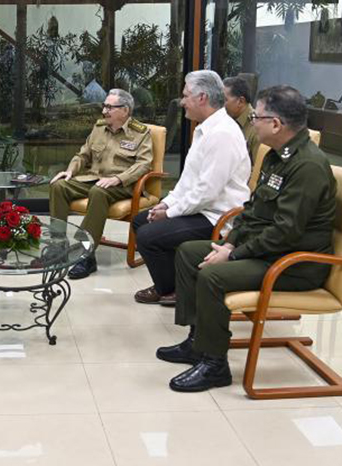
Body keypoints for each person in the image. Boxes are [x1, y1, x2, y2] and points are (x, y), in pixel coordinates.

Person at [162, 85, 336, 392]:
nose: (251, 120)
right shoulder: (275, 156)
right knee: (189, 253)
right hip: (269, 251)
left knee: (214, 276)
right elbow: (253, 210)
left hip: (294, 264)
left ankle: (215, 364)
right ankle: (198, 342)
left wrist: (234, 254)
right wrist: (230, 242)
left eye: (257, 115)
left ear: (276, 124)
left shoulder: (307, 166)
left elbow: (286, 232)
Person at [132, 70, 251, 306]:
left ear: (202, 98)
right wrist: (166, 203)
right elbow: (188, 182)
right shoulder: (205, 129)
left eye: (186, 95)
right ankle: (172, 283)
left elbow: (207, 192)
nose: (182, 101)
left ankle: (175, 289)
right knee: (140, 220)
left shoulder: (222, 134)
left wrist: (170, 213)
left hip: (217, 216)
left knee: (147, 235)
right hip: (201, 208)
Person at [48, 88, 153, 279]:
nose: (104, 111)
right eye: (104, 106)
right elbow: (83, 155)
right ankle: (57, 245)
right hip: (94, 178)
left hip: (122, 185)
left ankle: (87, 255)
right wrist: (70, 171)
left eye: (110, 107)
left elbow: (144, 164)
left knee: (98, 192)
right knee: (59, 186)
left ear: (125, 110)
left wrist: (118, 179)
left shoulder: (140, 133)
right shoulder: (99, 128)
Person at [223, 76, 260, 164]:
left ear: (240, 101)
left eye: (224, 100)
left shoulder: (257, 126)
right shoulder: (227, 122)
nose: (220, 104)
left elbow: (258, 170)